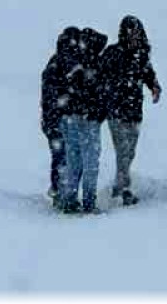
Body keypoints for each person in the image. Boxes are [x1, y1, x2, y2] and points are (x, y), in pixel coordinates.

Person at [98, 15, 161, 206]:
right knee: (123, 151)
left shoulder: (141, 55)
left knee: (130, 152)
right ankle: (123, 189)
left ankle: (120, 184)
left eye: (137, 33)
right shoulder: (112, 53)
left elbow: (148, 74)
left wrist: (155, 87)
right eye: (131, 33)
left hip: (134, 112)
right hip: (115, 111)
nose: (135, 36)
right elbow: (99, 76)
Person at [56, 28, 108, 214]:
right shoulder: (93, 63)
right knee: (91, 162)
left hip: (69, 118)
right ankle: (88, 202)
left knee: (74, 160)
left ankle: (69, 199)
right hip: (87, 120)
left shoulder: (70, 61)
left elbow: (64, 92)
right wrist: (97, 112)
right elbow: (99, 94)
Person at [40, 27, 81, 204]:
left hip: (56, 120)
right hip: (58, 121)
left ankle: (60, 191)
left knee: (62, 157)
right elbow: (53, 97)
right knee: (63, 157)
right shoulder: (59, 65)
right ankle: (60, 192)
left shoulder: (58, 63)